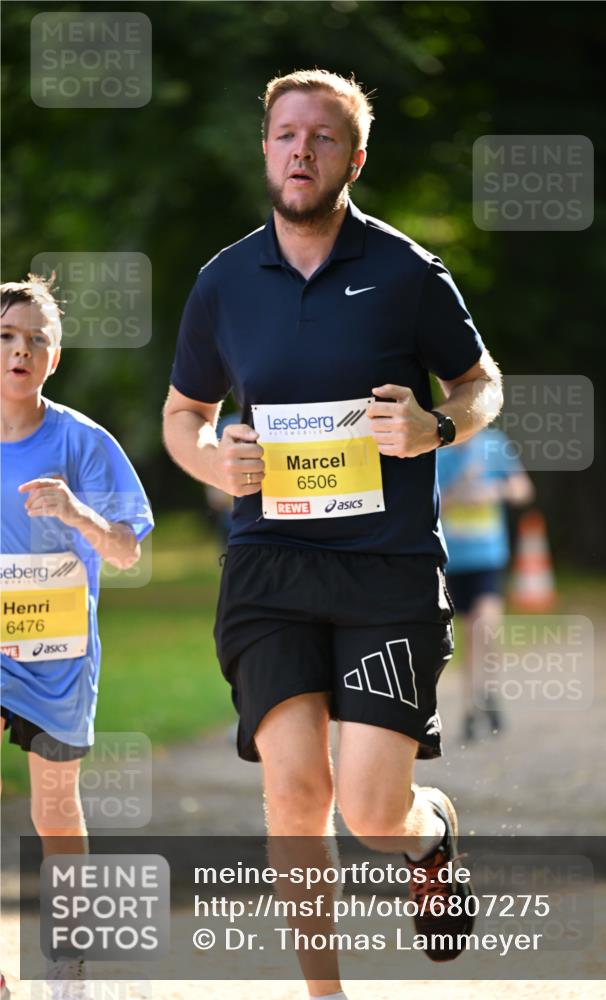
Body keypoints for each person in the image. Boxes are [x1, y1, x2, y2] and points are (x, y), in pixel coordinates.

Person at [163, 69, 503, 999]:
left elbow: (481, 383)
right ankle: (324, 992)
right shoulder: (224, 282)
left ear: (353, 157)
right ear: (264, 148)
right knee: (293, 794)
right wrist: (210, 460)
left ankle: (428, 836)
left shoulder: (405, 271)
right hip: (270, 565)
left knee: (369, 812)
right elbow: (183, 412)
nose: (299, 150)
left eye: (320, 136)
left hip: (385, 570)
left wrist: (437, 425)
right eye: (283, 134)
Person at [0, 275, 154, 998]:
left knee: (54, 806)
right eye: (6, 336)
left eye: (37, 340)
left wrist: (76, 514)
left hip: (58, 652)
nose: (20, 350)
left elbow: (127, 551)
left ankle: (68, 963)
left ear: (53, 360)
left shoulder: (84, 442)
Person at [437, 426, 535, 741]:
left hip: (488, 557)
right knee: (468, 634)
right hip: (454, 560)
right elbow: (431, 507)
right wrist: (459, 488)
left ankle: (489, 690)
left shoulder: (494, 444)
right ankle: (471, 707)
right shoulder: (437, 452)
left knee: (487, 626)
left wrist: (496, 491)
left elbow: (523, 490)